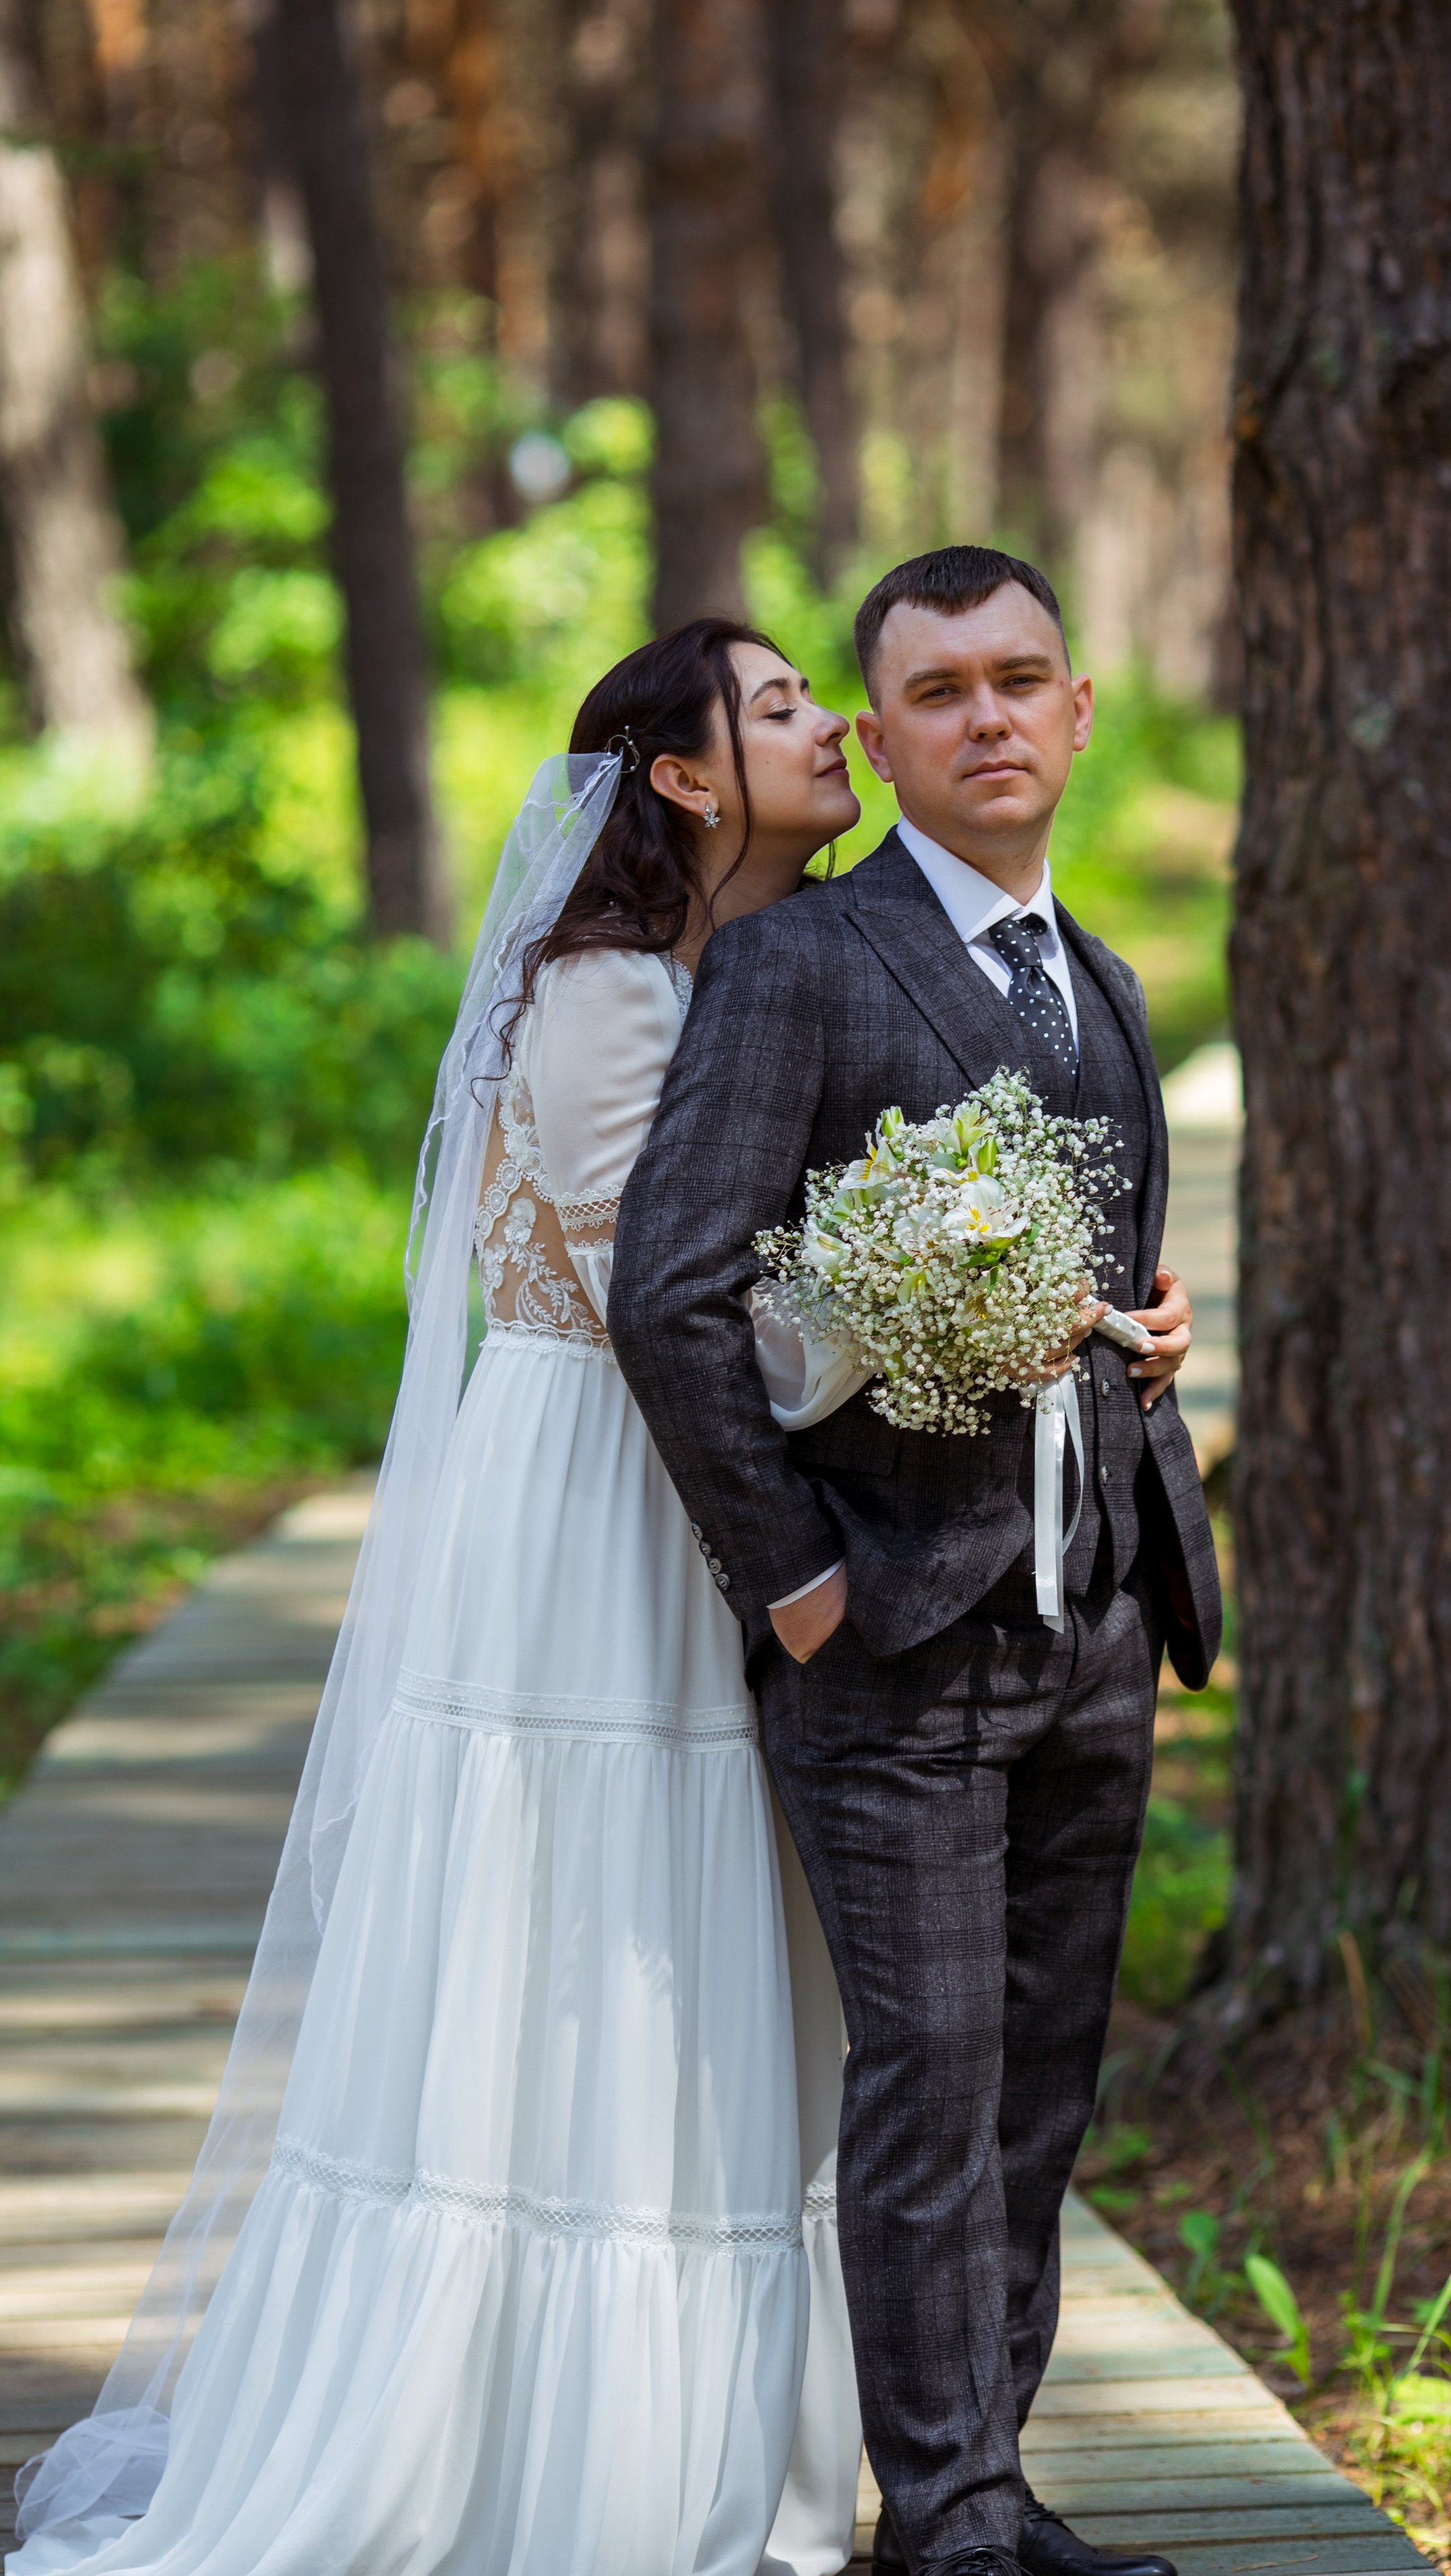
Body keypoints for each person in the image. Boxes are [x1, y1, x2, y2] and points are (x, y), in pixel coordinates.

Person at [8, 619, 874, 2576]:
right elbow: (669, 1285)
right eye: (780, 705)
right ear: (678, 774)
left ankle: (706, 2440)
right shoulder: (603, 992)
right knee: (575, 1922)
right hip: (593, 1512)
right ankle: (521, 2446)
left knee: (712, 1936)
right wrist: (920, 1329)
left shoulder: (782, 965)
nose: (830, 723)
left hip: (700, 1503)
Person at [609, 546, 1220, 2576]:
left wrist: (1149, 1348)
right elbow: (678, 1291)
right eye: (939, 691)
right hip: (892, 1634)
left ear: (1078, 713)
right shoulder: (803, 967)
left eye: (1021, 679)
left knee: (1041, 2091)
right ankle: (948, 2520)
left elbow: (1084, 1279)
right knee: (932, 2091)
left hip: (1095, 1617)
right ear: (879, 738)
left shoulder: (1108, 983)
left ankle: (999, 2489)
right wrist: (797, 1584)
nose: (989, 717)